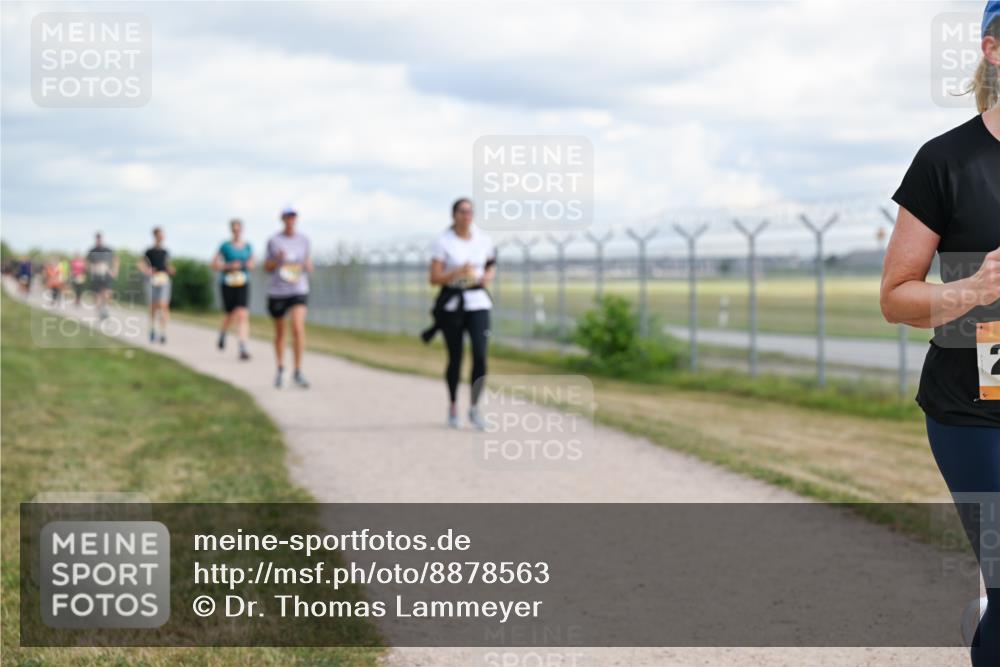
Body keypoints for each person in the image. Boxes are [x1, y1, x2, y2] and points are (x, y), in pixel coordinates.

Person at [880, 4, 1000, 665]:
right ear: (994, 49)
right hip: (974, 412)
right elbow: (896, 297)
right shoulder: (947, 161)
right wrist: (973, 291)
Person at [426, 198, 497, 429]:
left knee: (480, 355)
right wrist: (457, 272)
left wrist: (487, 275)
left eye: (470, 212)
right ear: (454, 215)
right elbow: (434, 278)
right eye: (462, 211)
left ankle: (475, 407)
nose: (467, 216)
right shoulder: (443, 242)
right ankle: (454, 404)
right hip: (453, 304)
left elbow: (490, 264)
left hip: (478, 301)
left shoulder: (483, 240)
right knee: (455, 357)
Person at [264, 206, 312, 388]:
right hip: (278, 290)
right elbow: (267, 267)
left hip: (298, 288)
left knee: (298, 328)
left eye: (293, 217)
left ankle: (298, 371)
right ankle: (281, 368)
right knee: (280, 332)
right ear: (282, 219)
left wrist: (308, 266)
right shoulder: (274, 241)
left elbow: (307, 261)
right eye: (287, 217)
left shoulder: (304, 240)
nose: (290, 220)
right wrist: (277, 259)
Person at [212, 218, 254, 361]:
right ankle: (223, 333)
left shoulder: (248, 246)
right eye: (234, 229)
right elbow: (214, 264)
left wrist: (245, 265)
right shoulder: (225, 246)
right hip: (228, 282)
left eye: (239, 229)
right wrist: (229, 266)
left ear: (241, 230)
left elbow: (252, 263)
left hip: (243, 282)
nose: (236, 232)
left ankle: (243, 347)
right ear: (231, 230)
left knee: (242, 314)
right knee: (230, 314)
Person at [138, 227, 175, 344]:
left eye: (162, 235)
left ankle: (163, 332)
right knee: (153, 306)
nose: (161, 237)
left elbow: (167, 265)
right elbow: (140, 264)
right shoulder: (149, 251)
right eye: (160, 235)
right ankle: (152, 329)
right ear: (155, 236)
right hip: (152, 280)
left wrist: (170, 269)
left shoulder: (166, 252)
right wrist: (147, 270)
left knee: (163, 305)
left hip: (164, 279)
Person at [86, 233, 118, 319]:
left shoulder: (108, 249)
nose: (99, 241)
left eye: (100, 239)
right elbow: (87, 263)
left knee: (107, 292)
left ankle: (105, 308)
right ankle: (100, 311)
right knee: (97, 295)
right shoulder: (92, 250)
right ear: (95, 240)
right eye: (97, 239)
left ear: (102, 239)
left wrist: (115, 270)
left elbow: (116, 260)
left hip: (106, 274)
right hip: (96, 275)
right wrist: (91, 269)